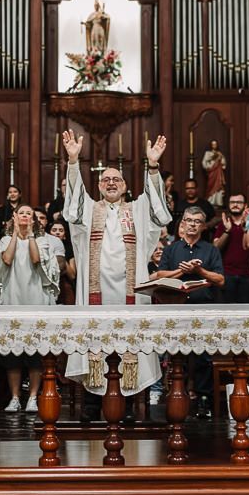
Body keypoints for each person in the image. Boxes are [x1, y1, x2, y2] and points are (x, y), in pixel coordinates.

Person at [62, 130, 171, 415]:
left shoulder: (137, 210)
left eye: (117, 180)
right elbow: (72, 210)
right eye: (106, 180)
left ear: (124, 187)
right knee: (94, 342)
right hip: (95, 292)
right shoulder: (89, 211)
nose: (111, 183)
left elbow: (160, 213)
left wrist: (154, 166)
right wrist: (73, 161)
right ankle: (91, 403)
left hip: (131, 293)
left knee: (131, 343)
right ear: (98, 186)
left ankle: (134, 404)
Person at [153, 206, 226, 418]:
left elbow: (220, 280)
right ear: (182, 224)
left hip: (203, 309)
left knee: (203, 357)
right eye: (188, 220)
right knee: (177, 355)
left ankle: (203, 400)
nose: (192, 224)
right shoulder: (172, 249)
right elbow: (159, 275)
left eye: (197, 221)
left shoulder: (211, 250)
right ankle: (177, 398)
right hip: (176, 309)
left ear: (203, 226)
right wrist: (181, 271)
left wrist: (200, 271)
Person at [0, 205, 60, 412]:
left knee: (35, 351)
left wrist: (30, 234)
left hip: (35, 299)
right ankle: (15, 397)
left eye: (28, 214)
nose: (24, 215)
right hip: (13, 298)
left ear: (34, 220)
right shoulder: (6, 240)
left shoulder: (42, 241)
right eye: (21, 213)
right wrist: (15, 233)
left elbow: (35, 259)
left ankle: (33, 396)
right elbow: (6, 259)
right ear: (14, 216)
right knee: (12, 353)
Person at [216, 193, 249, 303]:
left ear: (245, 205)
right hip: (227, 275)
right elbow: (216, 248)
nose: (235, 205)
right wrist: (227, 231)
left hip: (248, 275)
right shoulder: (224, 224)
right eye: (232, 202)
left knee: (248, 314)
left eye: (239, 202)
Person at [47, 219, 77, 305]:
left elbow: (72, 275)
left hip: (64, 284)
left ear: (64, 235)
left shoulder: (70, 249)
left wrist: (60, 255)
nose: (57, 233)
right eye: (54, 230)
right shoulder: (44, 246)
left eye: (61, 230)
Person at [201, 140, 227, 208]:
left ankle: (218, 202)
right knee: (211, 186)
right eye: (213, 144)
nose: (214, 145)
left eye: (215, 144)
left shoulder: (219, 154)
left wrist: (220, 161)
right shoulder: (208, 153)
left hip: (218, 173)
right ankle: (211, 201)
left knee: (219, 187)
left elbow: (224, 164)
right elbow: (204, 163)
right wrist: (210, 163)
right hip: (211, 173)